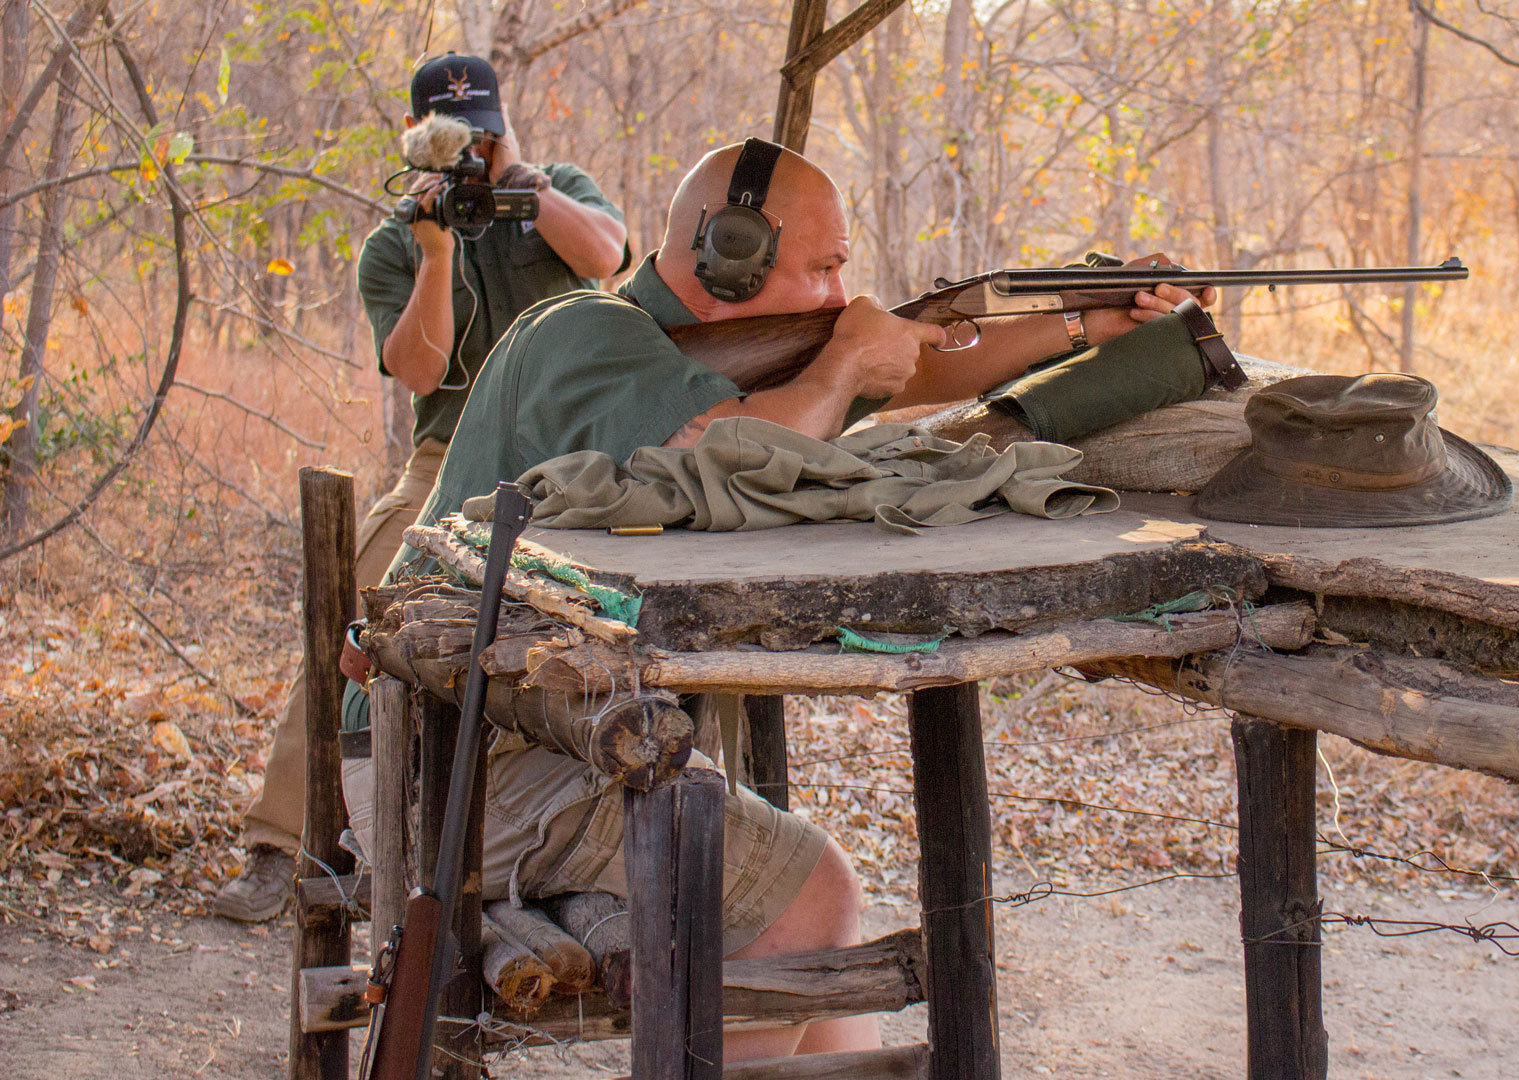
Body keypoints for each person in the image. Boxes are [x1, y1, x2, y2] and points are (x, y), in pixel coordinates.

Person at [338, 138, 1218, 1060]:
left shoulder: (660, 347)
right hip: (452, 765)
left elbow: (901, 374)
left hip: (514, 742)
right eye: (823, 269)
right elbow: (727, 450)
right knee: (814, 899)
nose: (841, 296)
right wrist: (842, 370)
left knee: (809, 900)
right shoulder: (585, 333)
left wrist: (1082, 324)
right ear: (730, 249)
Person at [210, 52, 630, 923]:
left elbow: (609, 254)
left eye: (483, 135)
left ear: (503, 126)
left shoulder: (554, 190)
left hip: (570, 467)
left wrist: (519, 182)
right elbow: (418, 370)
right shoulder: (398, 242)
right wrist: (437, 251)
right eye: (455, 144)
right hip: (447, 462)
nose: (471, 158)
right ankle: (284, 846)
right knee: (350, 619)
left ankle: (588, 834)